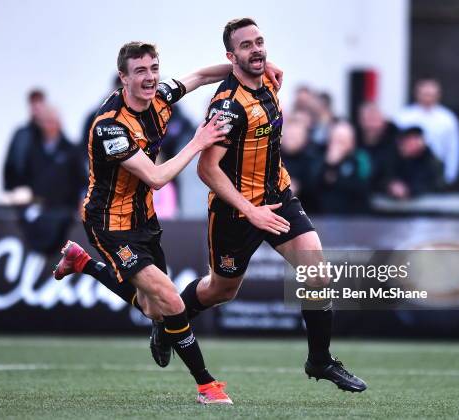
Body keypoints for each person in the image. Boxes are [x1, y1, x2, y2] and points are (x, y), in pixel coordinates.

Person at [53, 41, 283, 405]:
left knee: (152, 307)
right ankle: (207, 386)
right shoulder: (110, 127)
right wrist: (198, 141)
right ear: (123, 78)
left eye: (154, 68)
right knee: (171, 301)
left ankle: (83, 263)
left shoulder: (160, 95)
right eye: (140, 71)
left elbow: (201, 76)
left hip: (143, 217)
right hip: (109, 224)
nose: (149, 78)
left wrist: (254, 70)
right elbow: (157, 178)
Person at [184, 18, 365, 392]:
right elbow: (206, 168)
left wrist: (263, 65)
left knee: (316, 271)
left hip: (278, 197)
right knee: (221, 291)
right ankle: (171, 318)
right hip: (236, 211)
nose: (257, 50)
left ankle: (320, 360)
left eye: (259, 42)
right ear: (231, 56)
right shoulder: (228, 106)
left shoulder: (267, 78)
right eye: (246, 45)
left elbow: (259, 67)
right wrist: (250, 211)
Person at [16, 104, 87, 255]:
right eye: (46, 121)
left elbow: (83, 182)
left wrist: (81, 204)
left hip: (64, 210)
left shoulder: (71, 150)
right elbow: (25, 178)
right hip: (39, 207)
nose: (49, 126)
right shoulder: (33, 150)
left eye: (52, 121)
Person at [394, 78, 459, 186]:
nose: (428, 98)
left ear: (438, 95)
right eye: (425, 94)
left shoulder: (448, 119)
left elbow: (453, 149)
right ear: (417, 94)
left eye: (431, 94)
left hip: (438, 173)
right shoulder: (404, 117)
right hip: (409, 174)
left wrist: (450, 177)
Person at [313, 121, 371, 214]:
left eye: (343, 140)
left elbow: (363, 188)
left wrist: (336, 178)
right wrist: (329, 165)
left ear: (352, 142)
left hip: (352, 217)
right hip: (322, 216)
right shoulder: (319, 159)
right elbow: (312, 187)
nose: (338, 144)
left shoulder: (360, 159)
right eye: (336, 139)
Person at [383, 126, 445, 200]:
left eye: (416, 139)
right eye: (408, 140)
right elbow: (381, 179)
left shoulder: (432, 162)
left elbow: (434, 185)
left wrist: (408, 190)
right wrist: (391, 186)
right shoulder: (392, 158)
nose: (412, 144)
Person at [4, 89, 46, 190]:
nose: (36, 108)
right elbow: (10, 165)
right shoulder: (21, 134)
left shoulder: (51, 135)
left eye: (39, 103)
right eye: (33, 104)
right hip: (21, 192)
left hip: (46, 194)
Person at [355, 102, 397, 192]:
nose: (372, 125)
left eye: (375, 120)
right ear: (360, 121)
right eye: (368, 119)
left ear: (383, 122)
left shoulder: (396, 144)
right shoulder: (352, 144)